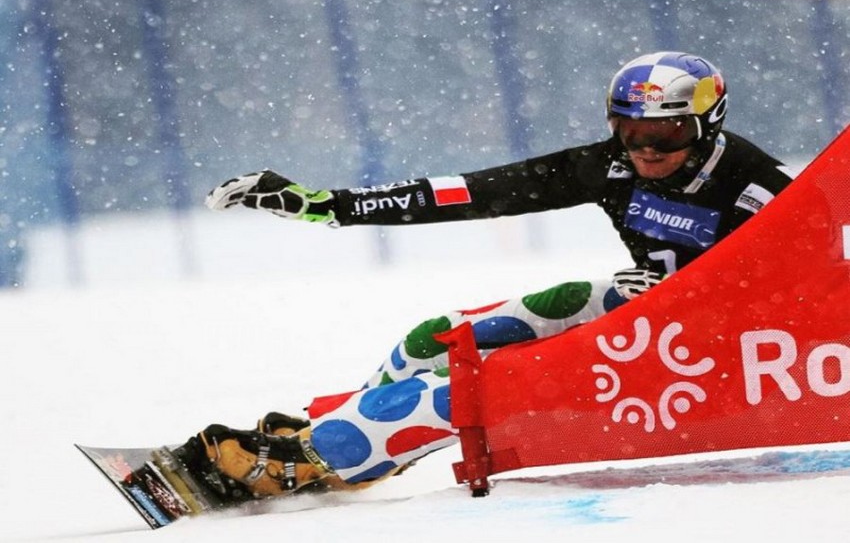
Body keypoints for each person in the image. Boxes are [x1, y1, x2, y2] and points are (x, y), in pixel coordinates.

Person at [175, 51, 793, 502]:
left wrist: (682, 299)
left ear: (708, 124)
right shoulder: (612, 166)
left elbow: (784, 295)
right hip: (647, 312)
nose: (647, 151)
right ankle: (338, 432)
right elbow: (471, 192)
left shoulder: (758, 187)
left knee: (477, 383)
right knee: (437, 339)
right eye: (631, 132)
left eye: (667, 132)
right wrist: (332, 205)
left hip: (718, 351)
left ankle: (306, 460)